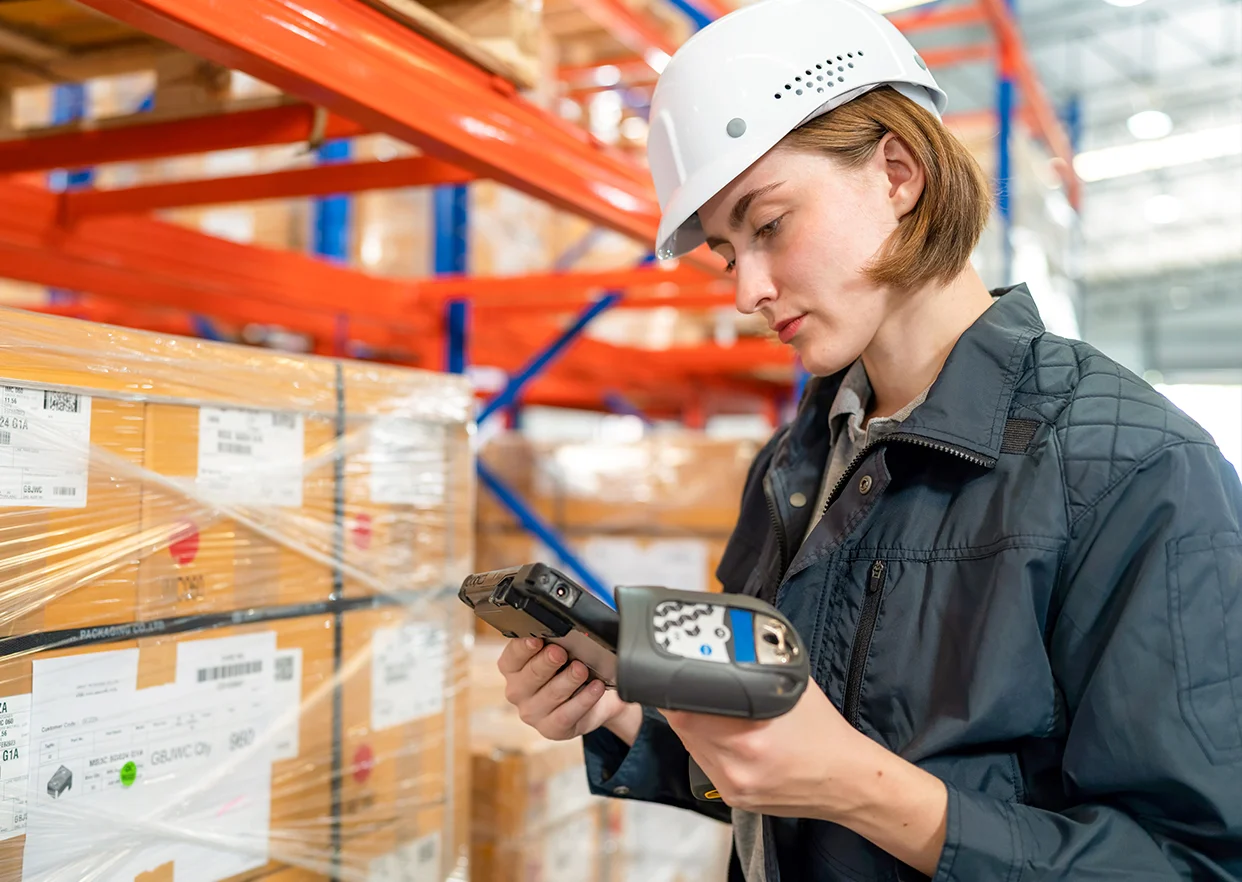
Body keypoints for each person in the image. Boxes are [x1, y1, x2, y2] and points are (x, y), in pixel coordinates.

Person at [494, 0, 1242, 878]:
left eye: (768, 224)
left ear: (898, 172)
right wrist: (627, 714)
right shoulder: (796, 465)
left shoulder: (1136, 471)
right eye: (730, 253)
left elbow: (1192, 862)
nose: (747, 290)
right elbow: (777, 776)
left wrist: (862, 788)